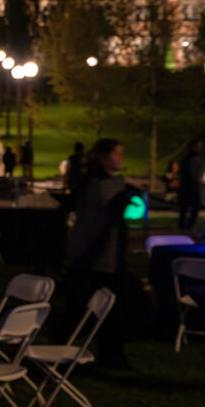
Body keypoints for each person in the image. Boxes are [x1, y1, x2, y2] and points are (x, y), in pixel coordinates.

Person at [64, 138, 138, 368]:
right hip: (95, 255)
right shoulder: (96, 183)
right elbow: (108, 202)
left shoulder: (103, 181)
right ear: (105, 157)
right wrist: (126, 189)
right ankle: (69, 350)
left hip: (106, 254)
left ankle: (109, 354)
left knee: (106, 306)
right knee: (89, 305)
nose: (121, 159)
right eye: (118, 154)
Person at [178, 139, 202, 231]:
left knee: (184, 207)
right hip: (191, 185)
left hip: (185, 185)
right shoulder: (194, 158)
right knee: (195, 206)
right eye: (198, 146)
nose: (200, 148)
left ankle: (183, 224)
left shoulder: (186, 158)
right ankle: (189, 225)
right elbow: (193, 173)